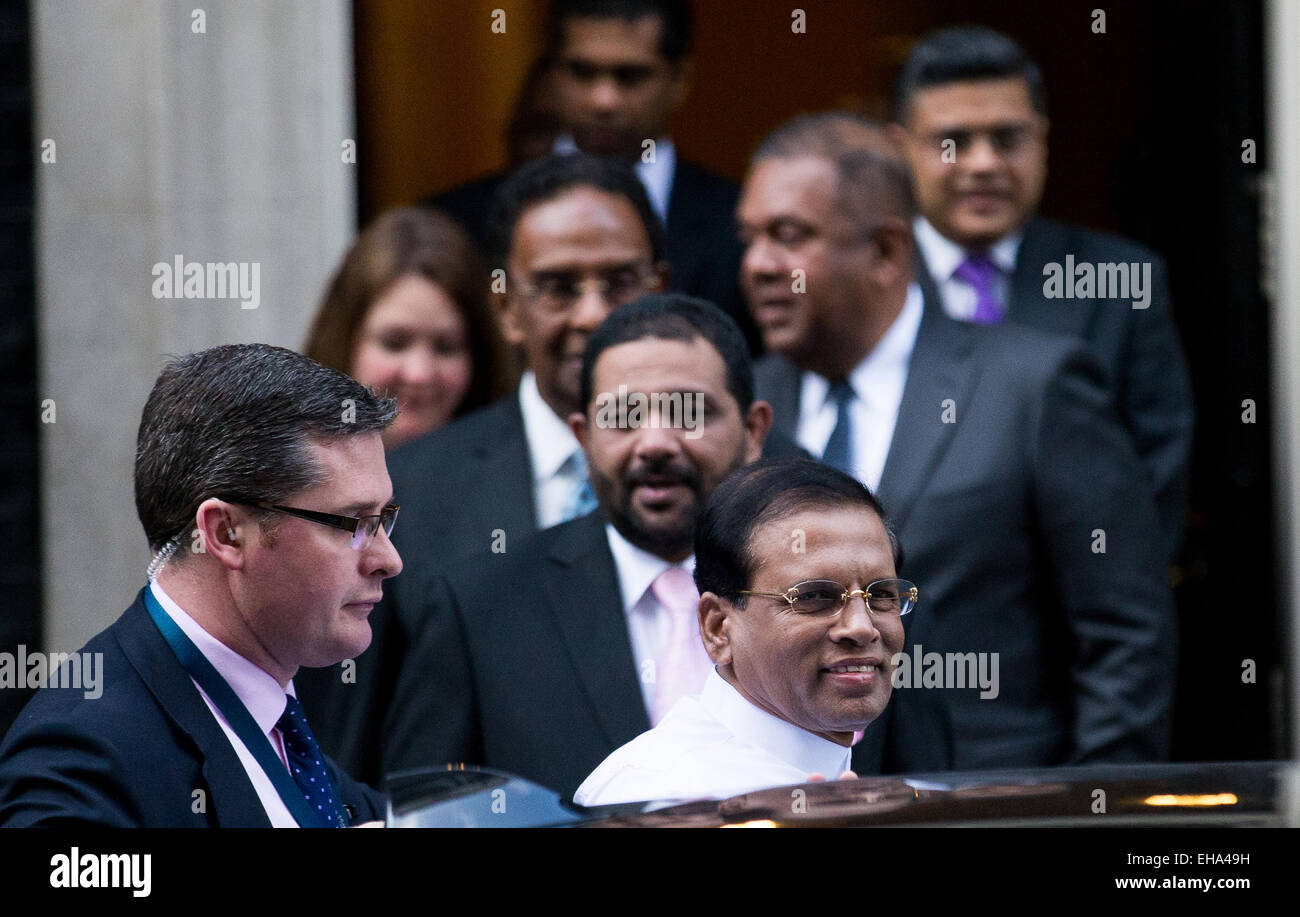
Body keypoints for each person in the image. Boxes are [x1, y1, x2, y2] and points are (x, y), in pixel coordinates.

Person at [737, 112, 1175, 770]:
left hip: (999, 801)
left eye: (789, 236)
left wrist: (1091, 807)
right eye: (750, 239)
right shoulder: (752, 405)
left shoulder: (1033, 385)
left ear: (885, 251)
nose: (760, 265)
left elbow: (1126, 634)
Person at [294, 153, 672, 782]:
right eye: (557, 286)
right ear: (505, 308)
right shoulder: (402, 495)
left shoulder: (742, 484)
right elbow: (346, 750)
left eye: (619, 282)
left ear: (659, 288)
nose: (591, 313)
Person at [382, 294, 774, 798]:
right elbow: (429, 811)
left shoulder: (828, 598)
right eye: (623, 416)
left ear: (754, 429)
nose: (654, 441)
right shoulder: (478, 612)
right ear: (582, 437)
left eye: (688, 412)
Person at [0, 344, 398, 826]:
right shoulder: (82, 747)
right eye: (353, 522)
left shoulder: (274, 714)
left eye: (383, 519)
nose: (388, 560)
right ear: (226, 533)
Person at [889, 25, 1194, 561]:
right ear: (901, 150)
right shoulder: (867, 283)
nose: (983, 164)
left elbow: (1155, 482)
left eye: (1008, 139)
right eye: (953, 142)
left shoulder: (1122, 282)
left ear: (1043, 140)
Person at [575, 456, 912, 805]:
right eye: (814, 597)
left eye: (881, 595)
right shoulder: (661, 797)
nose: (861, 626)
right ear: (718, 627)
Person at [428, 0, 759, 352]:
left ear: (679, 80)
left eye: (630, 76)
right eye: (582, 72)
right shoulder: (461, 223)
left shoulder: (741, 229)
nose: (604, 100)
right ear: (551, 73)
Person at [303, 207, 512, 450]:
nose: (420, 374)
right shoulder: (287, 475)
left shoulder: (520, 473)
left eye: (446, 347)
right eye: (394, 343)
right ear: (345, 338)